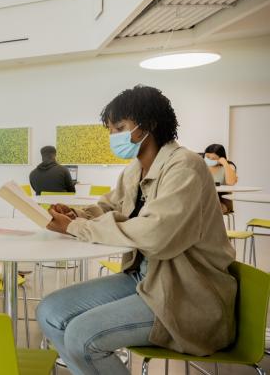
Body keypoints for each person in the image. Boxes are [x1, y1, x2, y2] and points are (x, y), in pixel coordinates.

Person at [36, 85, 236, 375]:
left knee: (82, 336)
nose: (113, 137)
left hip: (185, 293)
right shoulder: (135, 169)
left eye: (120, 127)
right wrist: (76, 214)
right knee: (49, 312)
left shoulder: (185, 167)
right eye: (110, 130)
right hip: (142, 278)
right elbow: (109, 205)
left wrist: (77, 227)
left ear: (149, 125)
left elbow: (154, 236)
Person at [204, 143, 238, 213]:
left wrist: (225, 163)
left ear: (221, 159)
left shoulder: (228, 167)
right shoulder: (202, 166)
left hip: (222, 202)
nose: (209, 159)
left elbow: (231, 182)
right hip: (205, 199)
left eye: (213, 158)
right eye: (207, 157)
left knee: (205, 210)